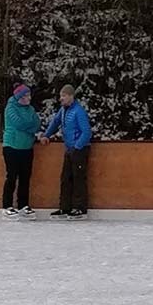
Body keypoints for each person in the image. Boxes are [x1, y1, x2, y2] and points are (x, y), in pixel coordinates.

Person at [39, 85, 92, 218]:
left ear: (70, 96)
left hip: (79, 149)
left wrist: (77, 146)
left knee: (78, 178)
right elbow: (55, 122)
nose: (61, 99)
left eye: (63, 96)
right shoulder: (63, 110)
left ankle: (80, 208)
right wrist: (46, 135)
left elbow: (86, 132)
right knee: (65, 178)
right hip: (69, 149)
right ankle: (65, 207)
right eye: (60, 96)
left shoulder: (78, 111)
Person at [1, 84, 40, 218]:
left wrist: (30, 127)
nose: (29, 98)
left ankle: (23, 205)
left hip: (27, 147)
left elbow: (37, 124)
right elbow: (19, 123)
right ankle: (7, 205)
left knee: (25, 177)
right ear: (20, 97)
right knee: (11, 176)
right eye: (26, 96)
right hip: (11, 146)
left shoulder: (30, 109)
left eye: (29, 95)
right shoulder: (10, 108)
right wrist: (30, 126)